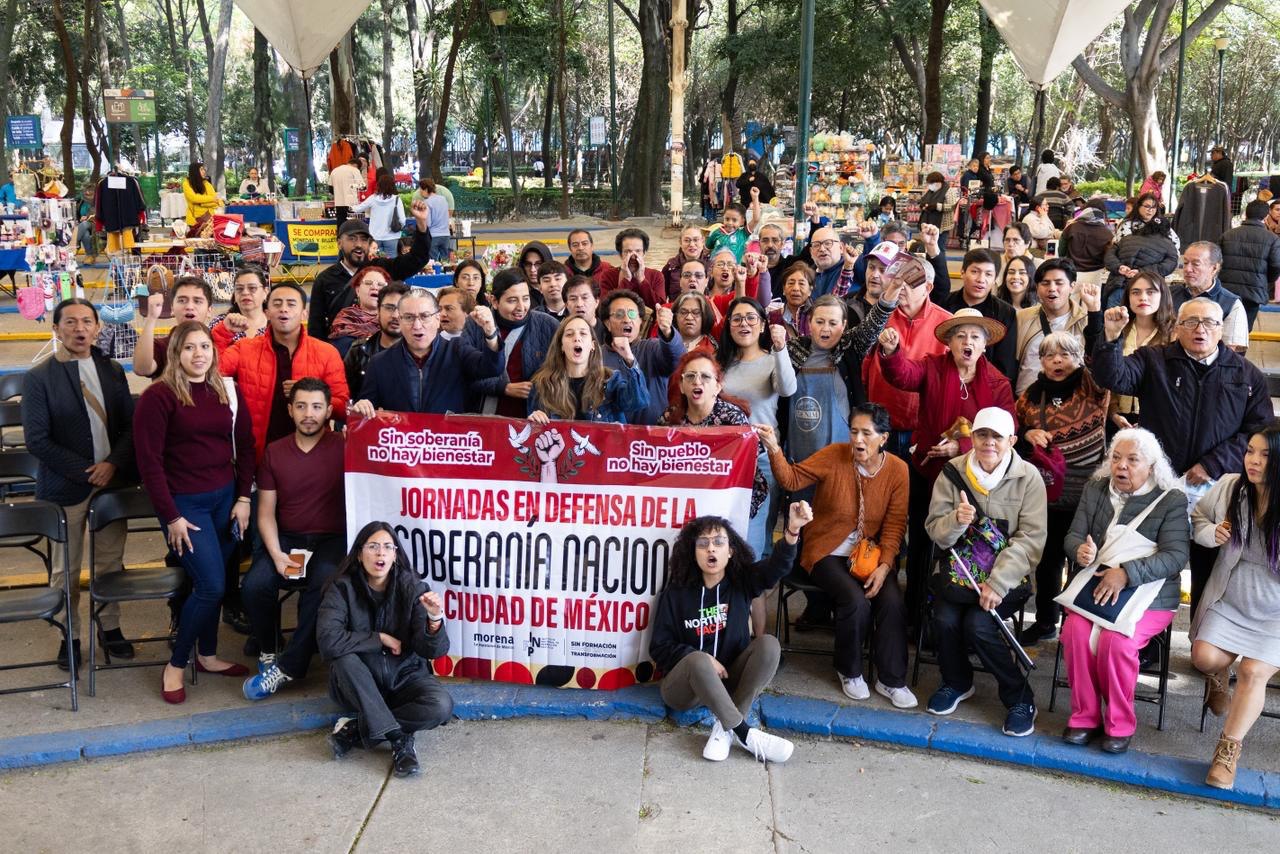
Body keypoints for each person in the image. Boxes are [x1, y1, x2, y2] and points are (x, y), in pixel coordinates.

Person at [1094, 297, 1274, 615]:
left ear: (1221, 329)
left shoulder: (1246, 376)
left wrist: (1212, 463)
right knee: (1149, 557)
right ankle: (1145, 636)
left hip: (1216, 487)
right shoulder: (1154, 360)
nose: (1200, 329)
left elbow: (1257, 433)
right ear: (1177, 327)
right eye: (1191, 322)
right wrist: (1110, 339)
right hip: (1157, 483)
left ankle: (1200, 631)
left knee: (1208, 560)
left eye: (1209, 323)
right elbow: (1113, 378)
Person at [759, 404, 915, 708]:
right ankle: (850, 670)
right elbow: (791, 480)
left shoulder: (898, 470)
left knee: (893, 601)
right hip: (826, 550)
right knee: (854, 600)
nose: (858, 439)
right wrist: (775, 449)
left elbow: (895, 525)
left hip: (870, 555)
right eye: (854, 431)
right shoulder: (834, 454)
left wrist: (885, 567)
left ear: (884, 438)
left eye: (866, 433)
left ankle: (891, 680)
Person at [134, 322, 256, 704]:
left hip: (225, 501)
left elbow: (246, 448)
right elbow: (149, 464)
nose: (199, 353)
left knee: (219, 581)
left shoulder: (226, 390)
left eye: (205, 346)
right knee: (210, 586)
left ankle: (207, 655)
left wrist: (243, 499)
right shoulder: (159, 397)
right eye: (189, 347)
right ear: (175, 353)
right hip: (184, 506)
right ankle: (176, 664)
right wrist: (171, 517)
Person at [22, 298, 136, 670]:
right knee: (64, 568)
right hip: (64, 485)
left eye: (87, 321)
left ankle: (110, 625)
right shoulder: (39, 377)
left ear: (98, 328)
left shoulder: (112, 370)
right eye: (69, 322)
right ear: (55, 329)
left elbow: (129, 427)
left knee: (110, 561)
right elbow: (37, 440)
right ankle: (67, 634)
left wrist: (112, 464)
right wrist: (88, 470)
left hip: (111, 484)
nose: (79, 328)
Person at [1059, 429, 1188, 754]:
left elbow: (1175, 557)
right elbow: (1073, 535)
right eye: (1116, 458)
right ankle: (1085, 716)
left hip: (1151, 595)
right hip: (1096, 587)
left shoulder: (1171, 499)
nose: (1122, 466)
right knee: (1075, 630)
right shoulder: (1095, 489)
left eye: (1132, 460)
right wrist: (1080, 552)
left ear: (1151, 465)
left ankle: (1119, 723)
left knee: (1117, 641)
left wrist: (1127, 574)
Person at [650, 502, 810, 764]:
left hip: (729, 681)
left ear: (731, 551)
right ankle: (745, 733)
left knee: (769, 645)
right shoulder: (676, 593)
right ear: (693, 553)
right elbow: (659, 646)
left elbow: (777, 567)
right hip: (684, 690)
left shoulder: (742, 583)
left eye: (718, 542)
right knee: (699, 659)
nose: (710, 548)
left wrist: (792, 530)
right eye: (702, 544)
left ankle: (725, 727)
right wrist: (699, 657)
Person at [925, 406, 1046, 737]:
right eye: (981, 434)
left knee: (979, 625)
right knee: (945, 618)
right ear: (972, 437)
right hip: (959, 577)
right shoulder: (952, 472)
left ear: (1012, 440)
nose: (988, 442)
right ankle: (957, 682)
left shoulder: (1029, 478)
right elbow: (935, 531)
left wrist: (998, 582)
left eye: (996, 436)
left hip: (1008, 580)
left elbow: (1031, 541)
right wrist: (956, 521)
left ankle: (1020, 697)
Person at [316, 521, 451, 777]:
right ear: (359, 553)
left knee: (441, 705)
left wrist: (434, 620)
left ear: (395, 556)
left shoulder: (413, 588)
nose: (381, 553)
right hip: (359, 684)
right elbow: (328, 640)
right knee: (344, 659)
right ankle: (401, 741)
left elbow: (433, 651)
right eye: (373, 546)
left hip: (405, 679)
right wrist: (379, 638)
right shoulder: (341, 588)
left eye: (388, 547)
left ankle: (357, 728)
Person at [240, 378, 346, 700]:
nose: (309, 414)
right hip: (287, 537)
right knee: (255, 585)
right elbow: (265, 513)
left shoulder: (345, 446)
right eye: (301, 406)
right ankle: (271, 649)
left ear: (329, 410)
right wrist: (275, 554)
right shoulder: (274, 452)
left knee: (325, 582)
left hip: (332, 539)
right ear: (290, 410)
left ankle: (289, 667)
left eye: (316, 407)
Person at [1189, 421, 1280, 790]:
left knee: (1253, 672)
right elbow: (1197, 517)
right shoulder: (1230, 486)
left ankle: (1228, 751)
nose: (1253, 461)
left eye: (1264, 455)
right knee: (1204, 658)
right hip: (1232, 594)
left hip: (1275, 611)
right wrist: (1213, 534)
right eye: (1250, 451)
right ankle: (1217, 678)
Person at [862, 254, 953, 622]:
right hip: (880, 433)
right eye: (895, 280)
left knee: (920, 524)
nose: (899, 290)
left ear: (928, 287)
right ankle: (874, 605)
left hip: (923, 437)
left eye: (909, 283)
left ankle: (915, 609)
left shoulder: (946, 324)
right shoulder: (880, 315)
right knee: (877, 521)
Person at [1015, 331, 1110, 644]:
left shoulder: (1089, 386)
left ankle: (1079, 624)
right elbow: (1017, 431)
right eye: (1050, 355)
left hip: (1089, 492)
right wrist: (1028, 435)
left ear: (1079, 358)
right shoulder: (1030, 396)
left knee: (1085, 560)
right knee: (1048, 561)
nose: (1058, 361)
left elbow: (1104, 366)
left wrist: (1099, 321)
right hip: (1048, 491)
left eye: (1066, 354)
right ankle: (1045, 621)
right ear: (1041, 361)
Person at [878, 307, 1017, 484]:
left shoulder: (998, 383)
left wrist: (963, 446)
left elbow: (1007, 429)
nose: (968, 342)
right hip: (927, 465)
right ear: (949, 343)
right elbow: (903, 376)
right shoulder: (932, 367)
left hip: (978, 473)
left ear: (984, 346)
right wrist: (891, 351)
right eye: (960, 336)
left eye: (975, 337)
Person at [221, 282, 350, 459]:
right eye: (277, 303)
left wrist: (310, 393)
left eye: (291, 304)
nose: (283, 309)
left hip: (313, 455)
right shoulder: (244, 348)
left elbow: (343, 407)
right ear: (266, 313)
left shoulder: (327, 353)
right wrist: (223, 333)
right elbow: (212, 373)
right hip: (259, 456)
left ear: (304, 313)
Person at [719, 297, 795, 555]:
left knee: (759, 536)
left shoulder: (772, 359)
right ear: (729, 325)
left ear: (762, 324)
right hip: (726, 457)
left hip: (762, 457)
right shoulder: (720, 363)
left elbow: (788, 389)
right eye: (737, 318)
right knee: (727, 531)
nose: (744, 324)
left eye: (751, 318)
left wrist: (781, 347)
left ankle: (757, 591)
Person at [351, 288, 502, 417]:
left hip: (448, 443)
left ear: (437, 319)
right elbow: (366, 408)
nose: (417, 325)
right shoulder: (380, 363)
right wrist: (362, 406)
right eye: (409, 317)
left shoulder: (457, 351)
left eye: (425, 316)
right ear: (400, 322)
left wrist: (490, 333)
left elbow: (492, 368)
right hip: (403, 445)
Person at [308, 204, 433, 342]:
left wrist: (421, 224)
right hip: (341, 352)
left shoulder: (382, 268)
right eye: (352, 239)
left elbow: (418, 258)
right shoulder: (325, 279)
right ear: (339, 243)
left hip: (381, 350)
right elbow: (316, 327)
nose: (359, 245)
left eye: (364, 239)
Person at [469, 268, 559, 417]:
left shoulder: (548, 325)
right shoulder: (475, 325)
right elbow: (465, 375)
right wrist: (503, 388)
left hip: (537, 418)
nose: (521, 307)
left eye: (525, 298)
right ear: (494, 301)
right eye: (512, 300)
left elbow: (563, 372)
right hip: (488, 418)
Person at [527, 315, 647, 423]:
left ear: (592, 346)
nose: (577, 338)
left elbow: (638, 402)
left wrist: (629, 358)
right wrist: (534, 421)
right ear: (561, 346)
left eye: (583, 334)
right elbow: (534, 437)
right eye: (569, 334)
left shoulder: (610, 380)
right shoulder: (542, 384)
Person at [1012, 258, 1103, 395]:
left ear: (1072, 286)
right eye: (1045, 283)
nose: (1052, 288)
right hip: (1026, 405)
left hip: (1070, 408)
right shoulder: (1021, 318)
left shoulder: (1086, 322)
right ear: (1037, 288)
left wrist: (1094, 310)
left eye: (1059, 283)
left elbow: (1099, 365)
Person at [599, 288, 682, 424]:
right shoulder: (597, 355)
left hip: (650, 437)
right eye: (619, 314)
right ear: (607, 323)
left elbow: (677, 361)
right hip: (610, 437)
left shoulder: (652, 348)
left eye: (632, 314)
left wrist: (667, 331)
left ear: (640, 322)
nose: (627, 319)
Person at [1107, 272, 1175, 434]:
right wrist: (1113, 412)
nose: (1143, 298)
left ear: (1163, 295)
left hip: (1159, 418)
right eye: (1136, 292)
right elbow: (1107, 372)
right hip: (1116, 417)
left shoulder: (1174, 333)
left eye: (1150, 292)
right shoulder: (1118, 328)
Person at [942, 249, 1017, 381]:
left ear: (995, 279)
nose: (981, 279)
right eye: (975, 272)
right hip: (945, 379)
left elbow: (1005, 364)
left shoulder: (1006, 313)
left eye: (988, 274)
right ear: (962, 273)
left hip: (987, 384)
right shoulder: (944, 305)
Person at [1171, 241, 1249, 352]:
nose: (1188, 269)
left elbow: (1231, 353)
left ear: (1214, 268)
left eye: (1195, 264)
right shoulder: (1169, 295)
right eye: (1185, 263)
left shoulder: (1231, 304)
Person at [134, 276, 217, 379]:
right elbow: (141, 369)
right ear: (172, 308)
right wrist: (151, 318)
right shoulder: (161, 346)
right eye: (182, 301)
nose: (189, 307)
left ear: (209, 310)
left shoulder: (217, 343)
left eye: (197, 301)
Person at [1219, 200, 1280, 330]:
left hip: (1226, 289)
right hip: (1254, 291)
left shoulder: (1227, 235)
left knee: (1221, 327)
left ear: (1246, 214)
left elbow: (1216, 260)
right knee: (1244, 330)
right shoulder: (1272, 239)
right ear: (1265, 216)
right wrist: (1265, 279)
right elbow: (1276, 266)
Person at [1102, 208, 1179, 307]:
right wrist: (1142, 271)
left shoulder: (1127, 238)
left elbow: (1109, 255)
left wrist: (1119, 267)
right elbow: (1169, 265)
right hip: (1146, 293)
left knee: (1114, 320)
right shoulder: (1168, 244)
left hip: (1118, 287)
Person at [344, 281, 406, 397]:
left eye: (401, 309)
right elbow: (346, 396)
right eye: (389, 308)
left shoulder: (419, 352)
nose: (395, 315)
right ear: (378, 311)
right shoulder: (358, 351)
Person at [328, 266, 391, 358]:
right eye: (368, 283)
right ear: (357, 290)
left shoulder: (395, 321)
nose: (375, 287)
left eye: (381, 284)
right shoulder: (345, 319)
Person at [599, 228, 666, 308]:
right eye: (628, 252)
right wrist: (626, 280)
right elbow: (605, 308)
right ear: (620, 254)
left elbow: (660, 307)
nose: (633, 257)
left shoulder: (656, 275)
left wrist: (641, 280)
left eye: (638, 251)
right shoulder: (608, 275)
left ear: (644, 253)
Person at [212, 266, 270, 353]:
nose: (245, 292)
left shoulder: (276, 323)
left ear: (265, 292)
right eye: (239, 289)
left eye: (252, 288)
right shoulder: (220, 323)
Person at [351, 173, 406, 259]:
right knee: (391, 262)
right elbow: (402, 220)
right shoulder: (397, 200)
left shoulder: (373, 198)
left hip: (375, 236)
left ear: (379, 185)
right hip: (392, 237)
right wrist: (398, 228)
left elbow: (357, 209)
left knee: (375, 260)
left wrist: (348, 204)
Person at [1059, 202, 1112, 288]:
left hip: (1073, 273)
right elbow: (1108, 257)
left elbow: (1061, 251)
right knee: (1092, 300)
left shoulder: (1071, 228)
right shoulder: (1107, 233)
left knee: (1071, 300)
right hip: (1096, 275)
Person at [1114, 191, 1180, 252]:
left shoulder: (1161, 223)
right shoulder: (1127, 225)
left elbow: (1176, 243)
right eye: (1147, 206)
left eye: (1154, 207)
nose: (1150, 210)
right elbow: (1124, 247)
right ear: (1138, 206)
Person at [705, 199, 760, 264]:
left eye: (734, 220)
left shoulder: (743, 234)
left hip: (734, 271)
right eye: (727, 219)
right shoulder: (716, 233)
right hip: (716, 270)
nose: (730, 223)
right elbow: (706, 250)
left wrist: (755, 197)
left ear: (742, 222)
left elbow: (756, 219)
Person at [662, 225, 709, 299]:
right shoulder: (671, 266)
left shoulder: (712, 266)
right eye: (687, 240)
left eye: (696, 240)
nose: (692, 244)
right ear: (680, 242)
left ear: (703, 241)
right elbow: (663, 296)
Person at [768, 262, 814, 338]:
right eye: (791, 283)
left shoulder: (817, 316)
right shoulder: (773, 317)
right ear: (783, 289)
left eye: (801, 284)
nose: (795, 288)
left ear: (810, 290)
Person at [918, 171, 959, 250]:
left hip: (942, 225)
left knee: (939, 247)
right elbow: (923, 200)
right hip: (928, 223)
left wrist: (937, 206)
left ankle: (940, 262)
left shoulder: (949, 191)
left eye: (932, 183)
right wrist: (923, 205)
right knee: (928, 248)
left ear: (939, 182)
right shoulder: (930, 191)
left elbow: (952, 206)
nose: (930, 186)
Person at [417, 178, 452, 261]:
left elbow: (428, 223)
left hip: (433, 235)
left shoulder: (427, 202)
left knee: (434, 262)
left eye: (421, 190)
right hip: (446, 234)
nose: (420, 192)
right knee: (445, 261)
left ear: (425, 189)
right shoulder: (443, 199)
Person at [182, 162, 220, 229]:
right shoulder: (186, 183)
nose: (204, 171)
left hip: (209, 217)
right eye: (201, 169)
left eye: (204, 169)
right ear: (195, 171)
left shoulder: (206, 183)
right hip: (194, 219)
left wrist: (201, 204)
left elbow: (217, 202)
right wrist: (211, 199)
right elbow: (193, 198)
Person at [329, 157, 365, 228]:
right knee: (352, 227)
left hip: (339, 203)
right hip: (352, 204)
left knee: (341, 226)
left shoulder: (334, 171)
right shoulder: (355, 170)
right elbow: (362, 187)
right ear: (357, 166)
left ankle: (340, 238)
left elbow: (330, 189)